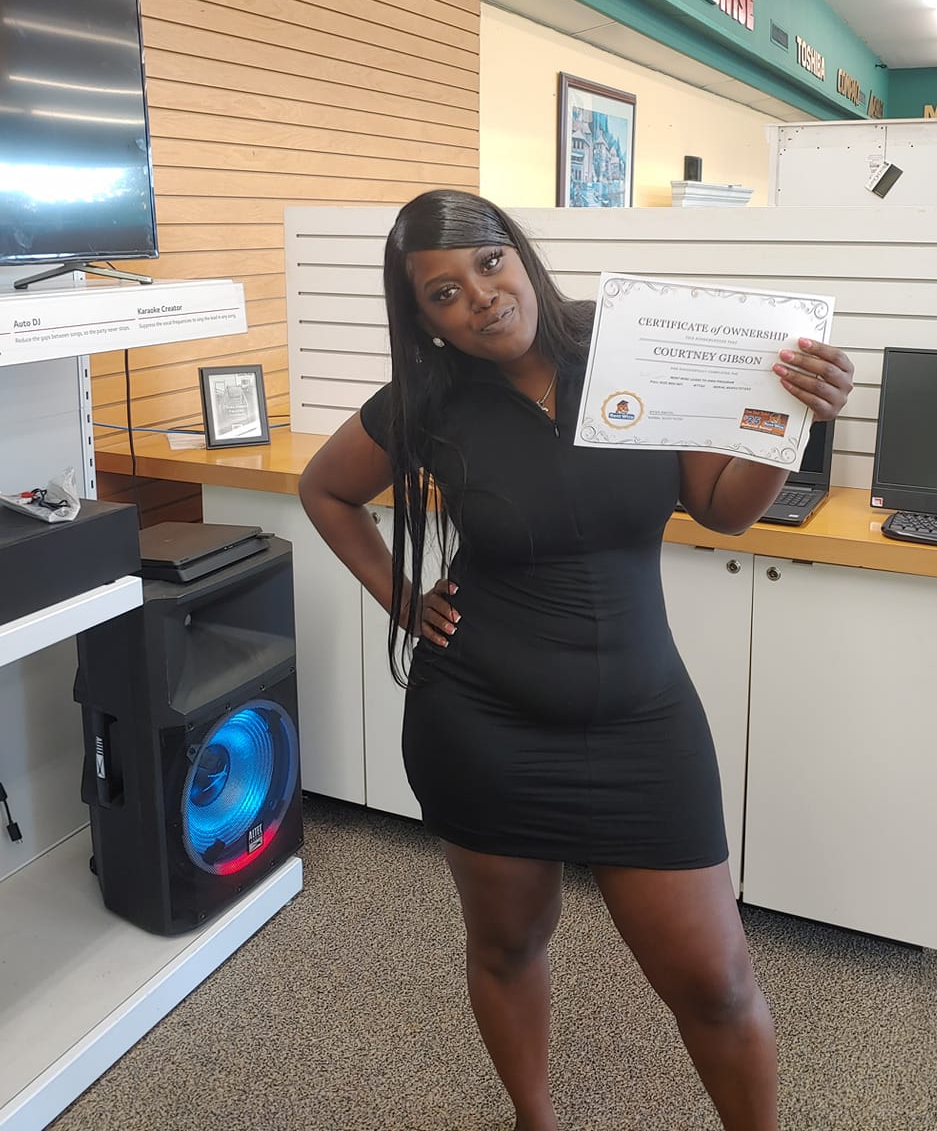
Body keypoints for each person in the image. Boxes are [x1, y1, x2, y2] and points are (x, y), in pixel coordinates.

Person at [299, 189, 855, 1131]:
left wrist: (790, 420)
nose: (479, 297)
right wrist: (404, 598)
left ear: (519, 254)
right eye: (443, 293)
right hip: (482, 720)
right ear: (424, 320)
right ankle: (535, 1119)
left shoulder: (632, 343)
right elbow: (325, 490)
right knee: (508, 944)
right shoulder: (430, 400)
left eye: (488, 264)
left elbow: (722, 509)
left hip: (642, 719)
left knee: (717, 981)